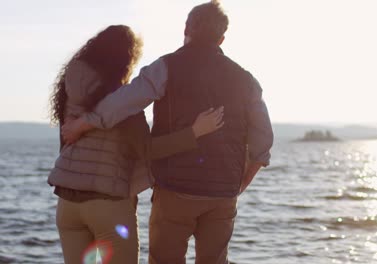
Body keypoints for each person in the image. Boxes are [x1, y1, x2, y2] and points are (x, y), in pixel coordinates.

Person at [62, 1, 274, 263]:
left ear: (187, 28)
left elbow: (123, 101)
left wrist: (85, 122)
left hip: (175, 190)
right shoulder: (246, 80)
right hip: (223, 193)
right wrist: (240, 184)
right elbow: (263, 141)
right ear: (222, 38)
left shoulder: (165, 67)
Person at [48, 25, 224, 264]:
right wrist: (194, 132)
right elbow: (149, 150)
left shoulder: (69, 96)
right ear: (125, 60)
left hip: (67, 206)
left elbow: (66, 143)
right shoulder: (123, 104)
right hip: (108, 204)